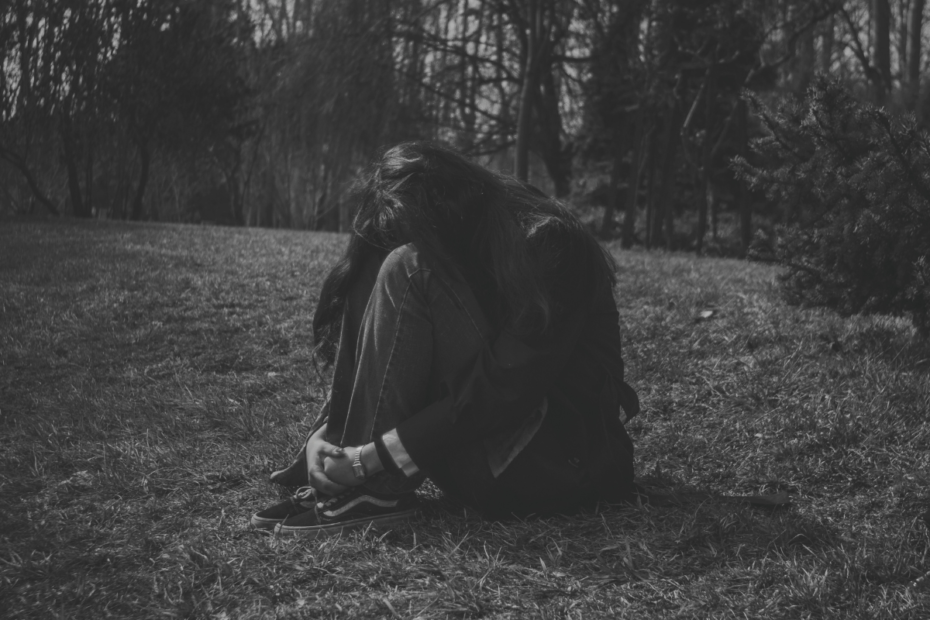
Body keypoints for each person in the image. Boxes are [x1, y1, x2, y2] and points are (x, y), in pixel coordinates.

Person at [250, 142, 639, 537]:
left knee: (410, 267)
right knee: (377, 257)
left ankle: (373, 490)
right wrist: (326, 441)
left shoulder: (551, 243)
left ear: (453, 214)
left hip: (554, 468)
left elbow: (502, 388)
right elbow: (388, 357)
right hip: (468, 458)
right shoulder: (470, 245)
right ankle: (350, 478)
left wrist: (367, 461)